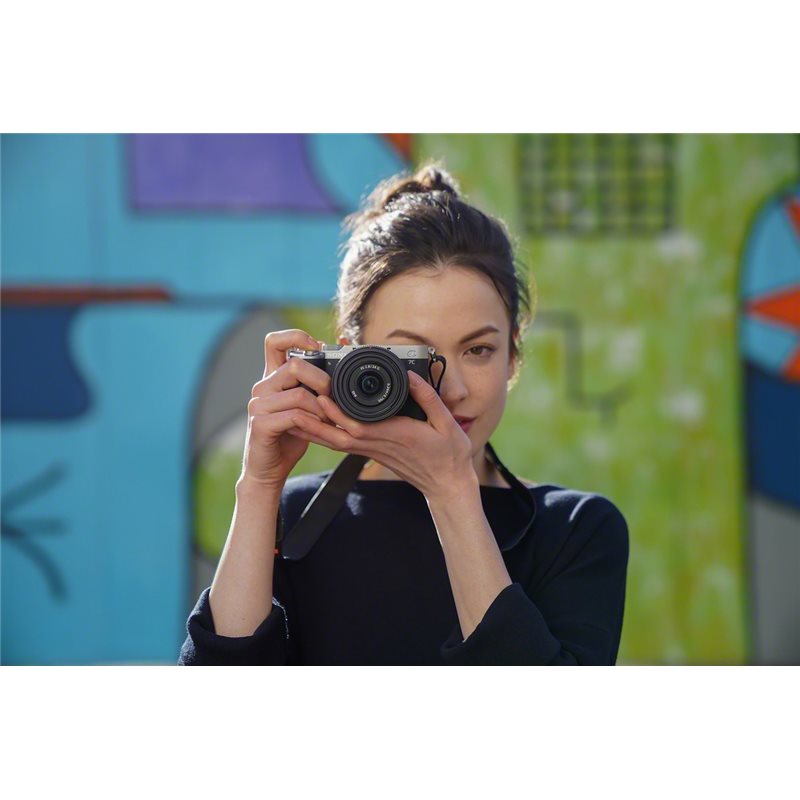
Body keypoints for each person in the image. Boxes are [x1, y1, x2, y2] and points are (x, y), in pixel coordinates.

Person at [178, 160, 629, 665]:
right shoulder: (296, 518)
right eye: (412, 356)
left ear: (513, 356)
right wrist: (259, 485)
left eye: (478, 350)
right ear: (352, 359)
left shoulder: (576, 529)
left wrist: (452, 490)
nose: (450, 389)